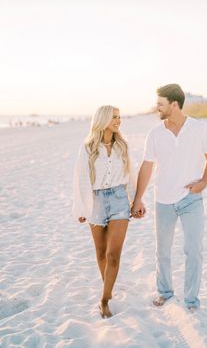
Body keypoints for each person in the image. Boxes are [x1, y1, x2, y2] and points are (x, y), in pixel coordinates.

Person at [132, 84, 207, 311]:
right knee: (163, 251)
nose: (156, 107)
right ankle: (165, 292)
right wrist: (138, 199)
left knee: (193, 250)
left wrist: (203, 183)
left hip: (191, 200)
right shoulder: (155, 133)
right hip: (163, 200)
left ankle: (191, 300)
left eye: (160, 104)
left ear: (174, 104)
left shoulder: (199, 129)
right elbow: (147, 166)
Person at [72, 105, 136, 318]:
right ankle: (107, 285)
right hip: (95, 201)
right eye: (114, 117)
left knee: (113, 254)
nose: (119, 120)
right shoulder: (88, 147)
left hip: (119, 200)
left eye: (120, 116)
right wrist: (80, 207)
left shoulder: (122, 146)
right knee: (100, 253)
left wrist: (136, 201)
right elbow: (80, 179)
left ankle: (104, 299)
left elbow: (131, 174)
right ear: (103, 119)